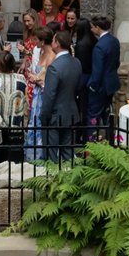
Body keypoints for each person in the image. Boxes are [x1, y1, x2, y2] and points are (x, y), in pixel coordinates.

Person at [40, 29, 83, 162]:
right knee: (68, 154)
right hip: (71, 113)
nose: (51, 42)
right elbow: (77, 88)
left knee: (51, 156)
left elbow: (49, 96)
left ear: (57, 44)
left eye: (53, 40)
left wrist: (44, 116)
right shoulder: (76, 62)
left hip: (55, 116)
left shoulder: (54, 67)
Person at [24, 26, 55, 160]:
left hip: (43, 94)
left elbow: (50, 80)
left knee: (40, 124)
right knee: (34, 122)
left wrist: (36, 79)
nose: (34, 42)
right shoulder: (41, 53)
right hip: (37, 93)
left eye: (36, 39)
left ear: (42, 41)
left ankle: (41, 156)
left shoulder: (51, 57)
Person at [88, 16, 121, 128]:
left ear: (98, 28)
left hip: (100, 87)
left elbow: (97, 71)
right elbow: (117, 63)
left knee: (93, 116)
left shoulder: (99, 46)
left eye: (92, 27)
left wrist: (93, 86)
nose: (91, 30)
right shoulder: (114, 41)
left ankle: (91, 141)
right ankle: (110, 138)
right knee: (107, 115)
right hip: (111, 84)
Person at [72, 17, 96, 129]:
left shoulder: (81, 45)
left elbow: (80, 65)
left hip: (83, 77)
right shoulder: (93, 40)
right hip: (90, 75)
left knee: (82, 107)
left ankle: (82, 133)